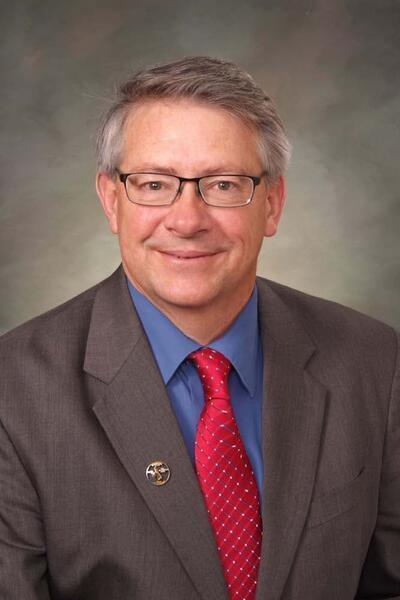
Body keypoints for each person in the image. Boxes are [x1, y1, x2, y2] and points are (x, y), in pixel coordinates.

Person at [0, 56, 399, 600]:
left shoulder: (375, 362)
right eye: (154, 184)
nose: (187, 220)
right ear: (111, 201)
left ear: (272, 204)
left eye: (224, 184)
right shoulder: (15, 392)